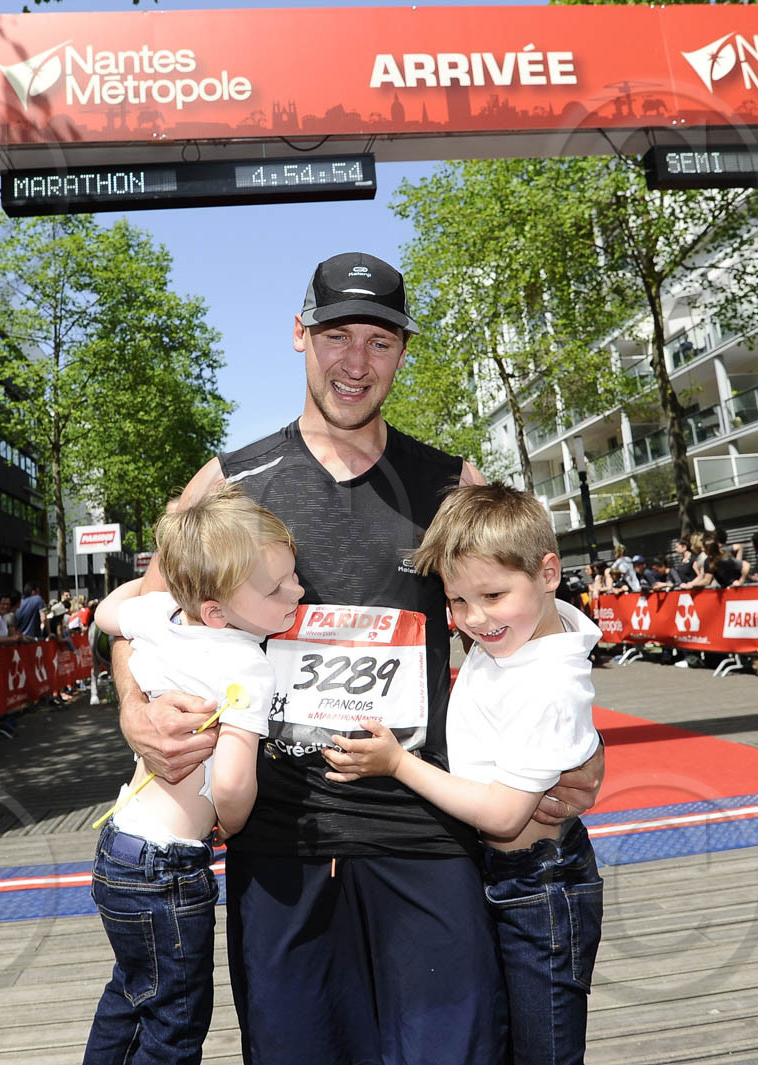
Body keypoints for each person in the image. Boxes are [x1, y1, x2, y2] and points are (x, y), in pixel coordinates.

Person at [111, 251, 604, 1065]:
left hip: (426, 830)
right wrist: (135, 708)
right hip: (283, 838)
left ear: (403, 352)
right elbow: (138, 616)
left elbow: (528, 622)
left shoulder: (451, 482)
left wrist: (579, 744)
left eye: (380, 341)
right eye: (337, 335)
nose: (356, 362)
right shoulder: (230, 482)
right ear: (299, 334)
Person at [323, 484, 603, 1065]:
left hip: (540, 888)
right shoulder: (517, 636)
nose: (474, 619)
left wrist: (398, 764)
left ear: (549, 573)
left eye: (493, 595)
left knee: (545, 1051)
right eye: (457, 601)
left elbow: (503, 814)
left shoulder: (547, 682)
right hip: (506, 875)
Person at [82, 484, 302, 1065]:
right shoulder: (246, 665)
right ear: (218, 613)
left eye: (293, 576)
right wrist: (231, 823)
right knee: (174, 1024)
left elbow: (106, 614)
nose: (297, 591)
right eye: (277, 588)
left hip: (119, 850)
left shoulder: (158, 614)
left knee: (131, 993)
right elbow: (231, 783)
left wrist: (163, 588)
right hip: (170, 869)